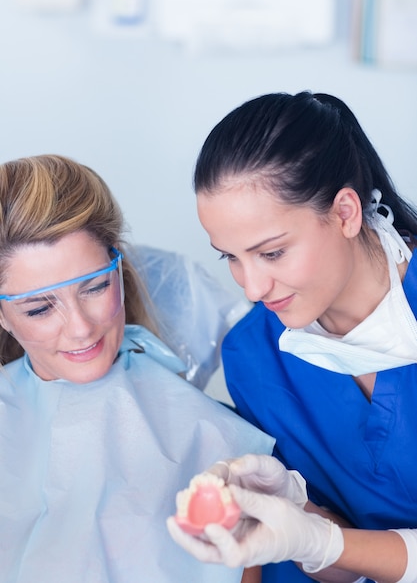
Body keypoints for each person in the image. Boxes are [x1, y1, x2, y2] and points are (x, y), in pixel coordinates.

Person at [166, 91, 417, 583]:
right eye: (230, 257)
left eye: (273, 253)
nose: (253, 288)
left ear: (345, 213)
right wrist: (292, 507)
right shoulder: (255, 356)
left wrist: (326, 541)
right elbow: (339, 566)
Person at [0, 154, 274, 583]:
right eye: (38, 309)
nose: (80, 328)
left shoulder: (200, 428)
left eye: (94, 287)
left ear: (119, 270)